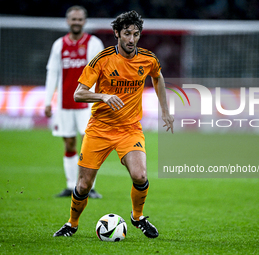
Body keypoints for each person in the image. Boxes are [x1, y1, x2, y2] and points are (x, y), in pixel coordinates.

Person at [53, 10, 174, 238]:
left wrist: (165, 111)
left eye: (136, 34)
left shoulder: (148, 59)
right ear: (117, 33)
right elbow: (79, 94)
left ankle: (137, 217)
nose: (131, 39)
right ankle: (72, 224)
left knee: (140, 176)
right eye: (127, 33)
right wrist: (103, 96)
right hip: (99, 129)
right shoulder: (102, 59)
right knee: (83, 186)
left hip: (130, 130)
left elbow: (157, 77)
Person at [44, 5, 103, 198]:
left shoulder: (94, 43)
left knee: (90, 145)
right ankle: (71, 186)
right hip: (64, 103)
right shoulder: (59, 45)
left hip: (88, 103)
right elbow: (52, 73)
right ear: (68, 21)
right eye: (73, 19)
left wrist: (100, 99)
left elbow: (101, 73)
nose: (76, 22)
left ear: (84, 21)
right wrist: (47, 101)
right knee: (69, 144)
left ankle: (89, 187)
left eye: (79, 19)